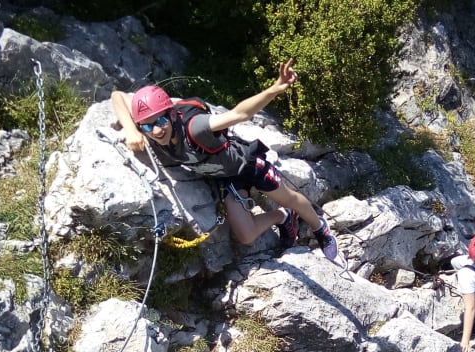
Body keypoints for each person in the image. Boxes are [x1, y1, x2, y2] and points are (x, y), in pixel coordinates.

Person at [110, 58, 338, 260]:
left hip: (246, 165)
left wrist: (274, 89)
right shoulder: (148, 131)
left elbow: (239, 114)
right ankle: (283, 217)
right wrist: (132, 130)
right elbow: (117, 96)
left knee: (289, 197)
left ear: (171, 114)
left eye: (160, 121)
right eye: (148, 125)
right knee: (246, 236)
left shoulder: (196, 128)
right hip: (226, 179)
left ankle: (321, 229)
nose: (156, 130)